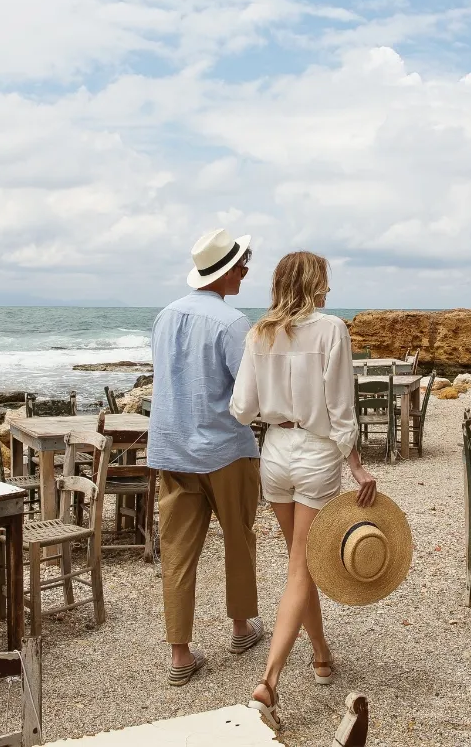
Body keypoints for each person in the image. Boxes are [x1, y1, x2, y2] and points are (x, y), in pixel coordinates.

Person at [229, 251, 377, 730]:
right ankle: (268, 684)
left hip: (275, 451)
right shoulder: (331, 329)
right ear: (313, 284)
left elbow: (241, 408)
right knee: (301, 566)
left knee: (302, 562)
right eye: (324, 281)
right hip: (315, 453)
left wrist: (274, 407)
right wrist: (356, 466)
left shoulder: (259, 333)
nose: (328, 290)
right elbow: (341, 407)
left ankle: (320, 653)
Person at [149, 228, 264, 686]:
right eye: (241, 266)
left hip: (172, 448)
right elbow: (248, 391)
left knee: (177, 552)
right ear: (224, 272)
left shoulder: (164, 317)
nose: (245, 273)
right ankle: (240, 627)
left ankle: (180, 652)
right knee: (239, 538)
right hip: (224, 448)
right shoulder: (232, 323)